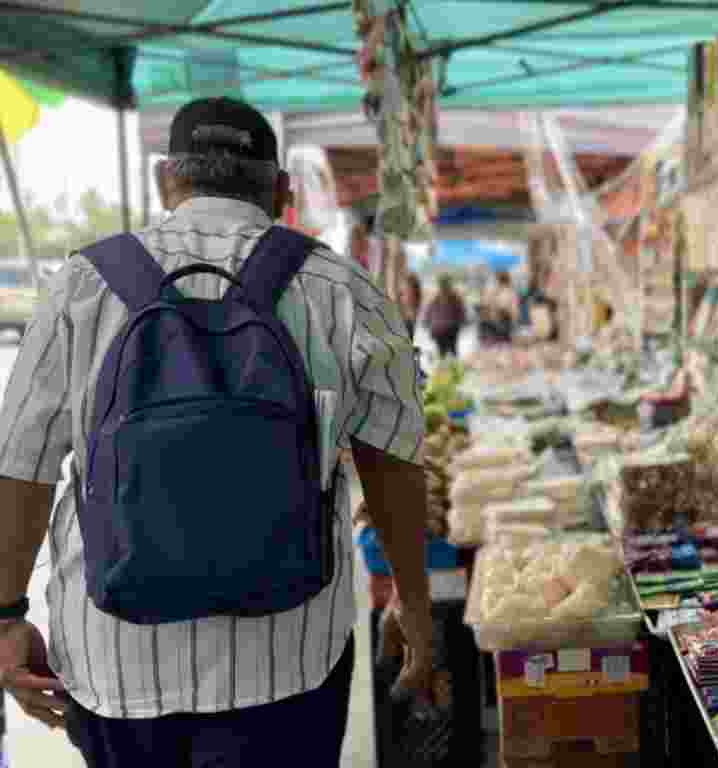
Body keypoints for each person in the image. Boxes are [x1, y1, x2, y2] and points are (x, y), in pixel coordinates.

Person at [0, 97, 432, 768]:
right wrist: (414, 600)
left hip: (116, 662)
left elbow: (21, 467)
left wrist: (5, 614)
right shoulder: (344, 289)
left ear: (163, 179)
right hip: (289, 662)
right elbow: (394, 463)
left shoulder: (81, 287)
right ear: (282, 190)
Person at [423, 274, 465, 357]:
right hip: (442, 330)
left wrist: (428, 323)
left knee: (449, 352)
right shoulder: (436, 299)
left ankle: (451, 367)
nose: (444, 287)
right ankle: (449, 367)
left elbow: (461, 314)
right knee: (446, 352)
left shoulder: (454, 298)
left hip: (449, 330)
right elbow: (428, 314)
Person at [479, 270, 519, 344]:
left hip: (496, 327)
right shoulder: (510, 292)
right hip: (500, 326)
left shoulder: (496, 291)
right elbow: (515, 313)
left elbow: (484, 306)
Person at [399, 272, 423, 338]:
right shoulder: (407, 321)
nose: (401, 296)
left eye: (405, 292)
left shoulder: (422, 321)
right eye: (401, 292)